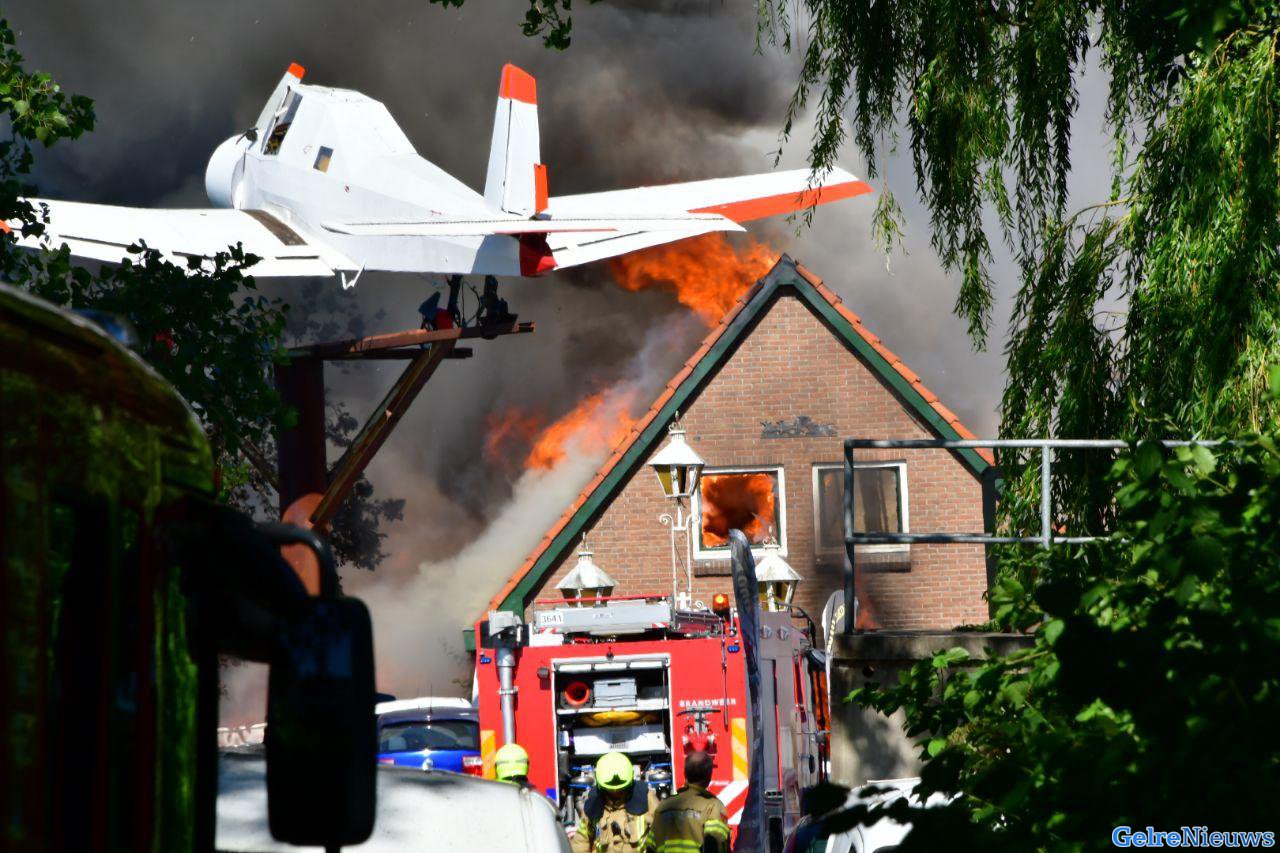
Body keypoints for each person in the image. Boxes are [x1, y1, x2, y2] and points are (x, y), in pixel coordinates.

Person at [571, 751, 660, 853]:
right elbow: (581, 842)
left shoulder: (646, 799)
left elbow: (663, 835)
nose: (616, 791)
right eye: (610, 789)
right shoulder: (593, 804)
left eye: (621, 788)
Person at [650, 751, 730, 853]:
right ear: (709, 777)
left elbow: (650, 847)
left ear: (685, 774)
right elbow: (714, 845)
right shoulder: (713, 806)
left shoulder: (663, 807)